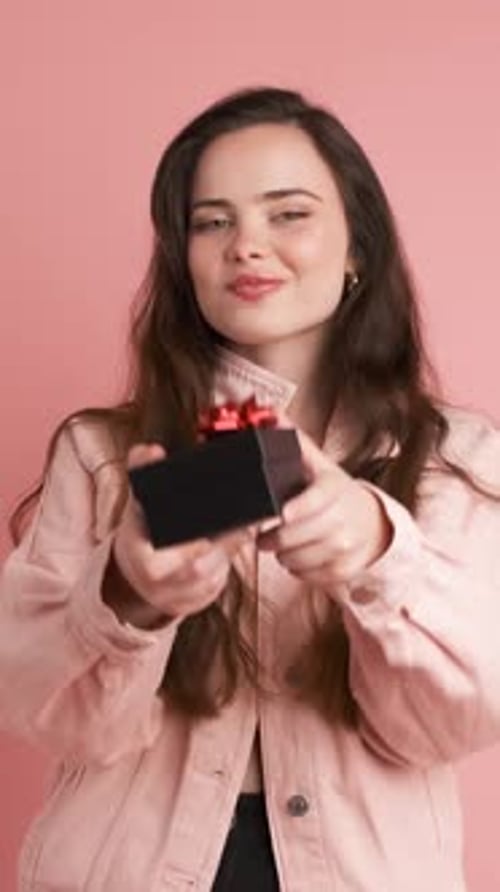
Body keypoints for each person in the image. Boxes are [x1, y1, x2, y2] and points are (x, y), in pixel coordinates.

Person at [1, 85, 500, 892]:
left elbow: (461, 719)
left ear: (356, 251)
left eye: (288, 213)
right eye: (212, 221)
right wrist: (128, 595)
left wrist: (380, 552)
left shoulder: (457, 458)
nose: (246, 245)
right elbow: (29, 702)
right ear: (183, 257)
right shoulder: (100, 452)